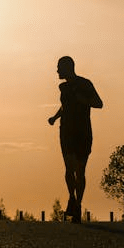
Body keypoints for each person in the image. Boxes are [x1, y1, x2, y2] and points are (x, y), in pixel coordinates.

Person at [48, 56, 103, 223]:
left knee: (80, 170)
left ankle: (78, 204)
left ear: (68, 67)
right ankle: (71, 197)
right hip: (66, 131)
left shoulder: (85, 84)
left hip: (82, 131)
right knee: (68, 168)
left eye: (59, 67)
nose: (57, 71)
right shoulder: (63, 87)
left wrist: (83, 99)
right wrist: (55, 117)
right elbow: (65, 105)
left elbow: (99, 103)